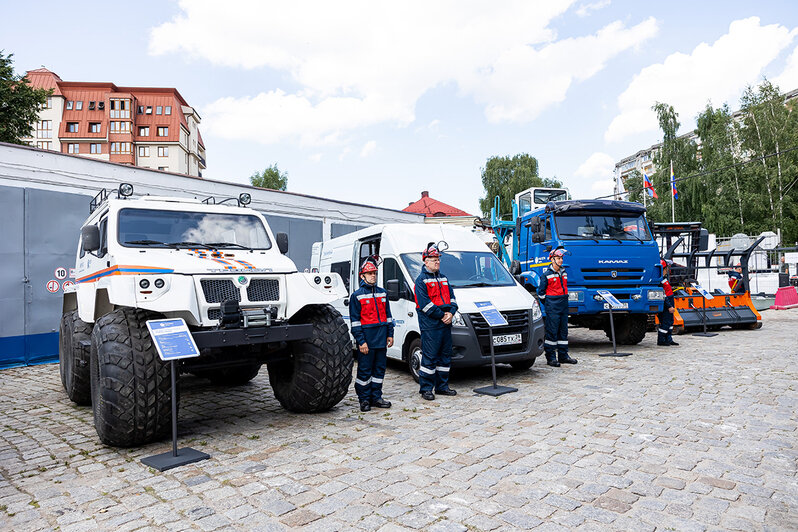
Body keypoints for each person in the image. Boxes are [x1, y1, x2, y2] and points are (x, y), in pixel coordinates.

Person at [349, 256, 395, 412]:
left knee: (379, 370)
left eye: (374, 273)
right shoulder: (356, 296)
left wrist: (390, 334)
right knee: (364, 371)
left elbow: (388, 316)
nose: (373, 276)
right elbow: (355, 323)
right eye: (369, 274)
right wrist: (361, 342)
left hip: (381, 339)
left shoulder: (383, 294)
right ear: (362, 276)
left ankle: (376, 397)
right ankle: (364, 400)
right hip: (367, 342)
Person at [414, 242, 458, 401]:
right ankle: (426, 389)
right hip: (431, 325)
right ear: (425, 261)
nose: (437, 261)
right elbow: (424, 305)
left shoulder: (444, 278)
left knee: (445, 356)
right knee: (430, 357)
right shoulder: (421, 280)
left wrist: (451, 313)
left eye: (438, 259)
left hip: (445, 323)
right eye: (433, 259)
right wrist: (442, 315)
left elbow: (453, 299)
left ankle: (442, 386)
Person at [537, 247, 577, 366]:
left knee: (563, 332)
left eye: (561, 258)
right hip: (553, 306)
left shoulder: (563, 272)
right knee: (552, 332)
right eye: (558, 258)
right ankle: (551, 358)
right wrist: (549, 303)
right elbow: (541, 293)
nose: (560, 261)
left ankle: (563, 356)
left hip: (564, 305)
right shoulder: (546, 275)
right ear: (552, 259)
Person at [657, 259, 679, 346]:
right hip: (666, 303)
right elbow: (663, 295)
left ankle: (668, 339)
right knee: (665, 322)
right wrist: (669, 306)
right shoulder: (660, 281)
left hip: (670, 300)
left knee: (670, 322)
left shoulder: (664, 279)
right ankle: (661, 340)